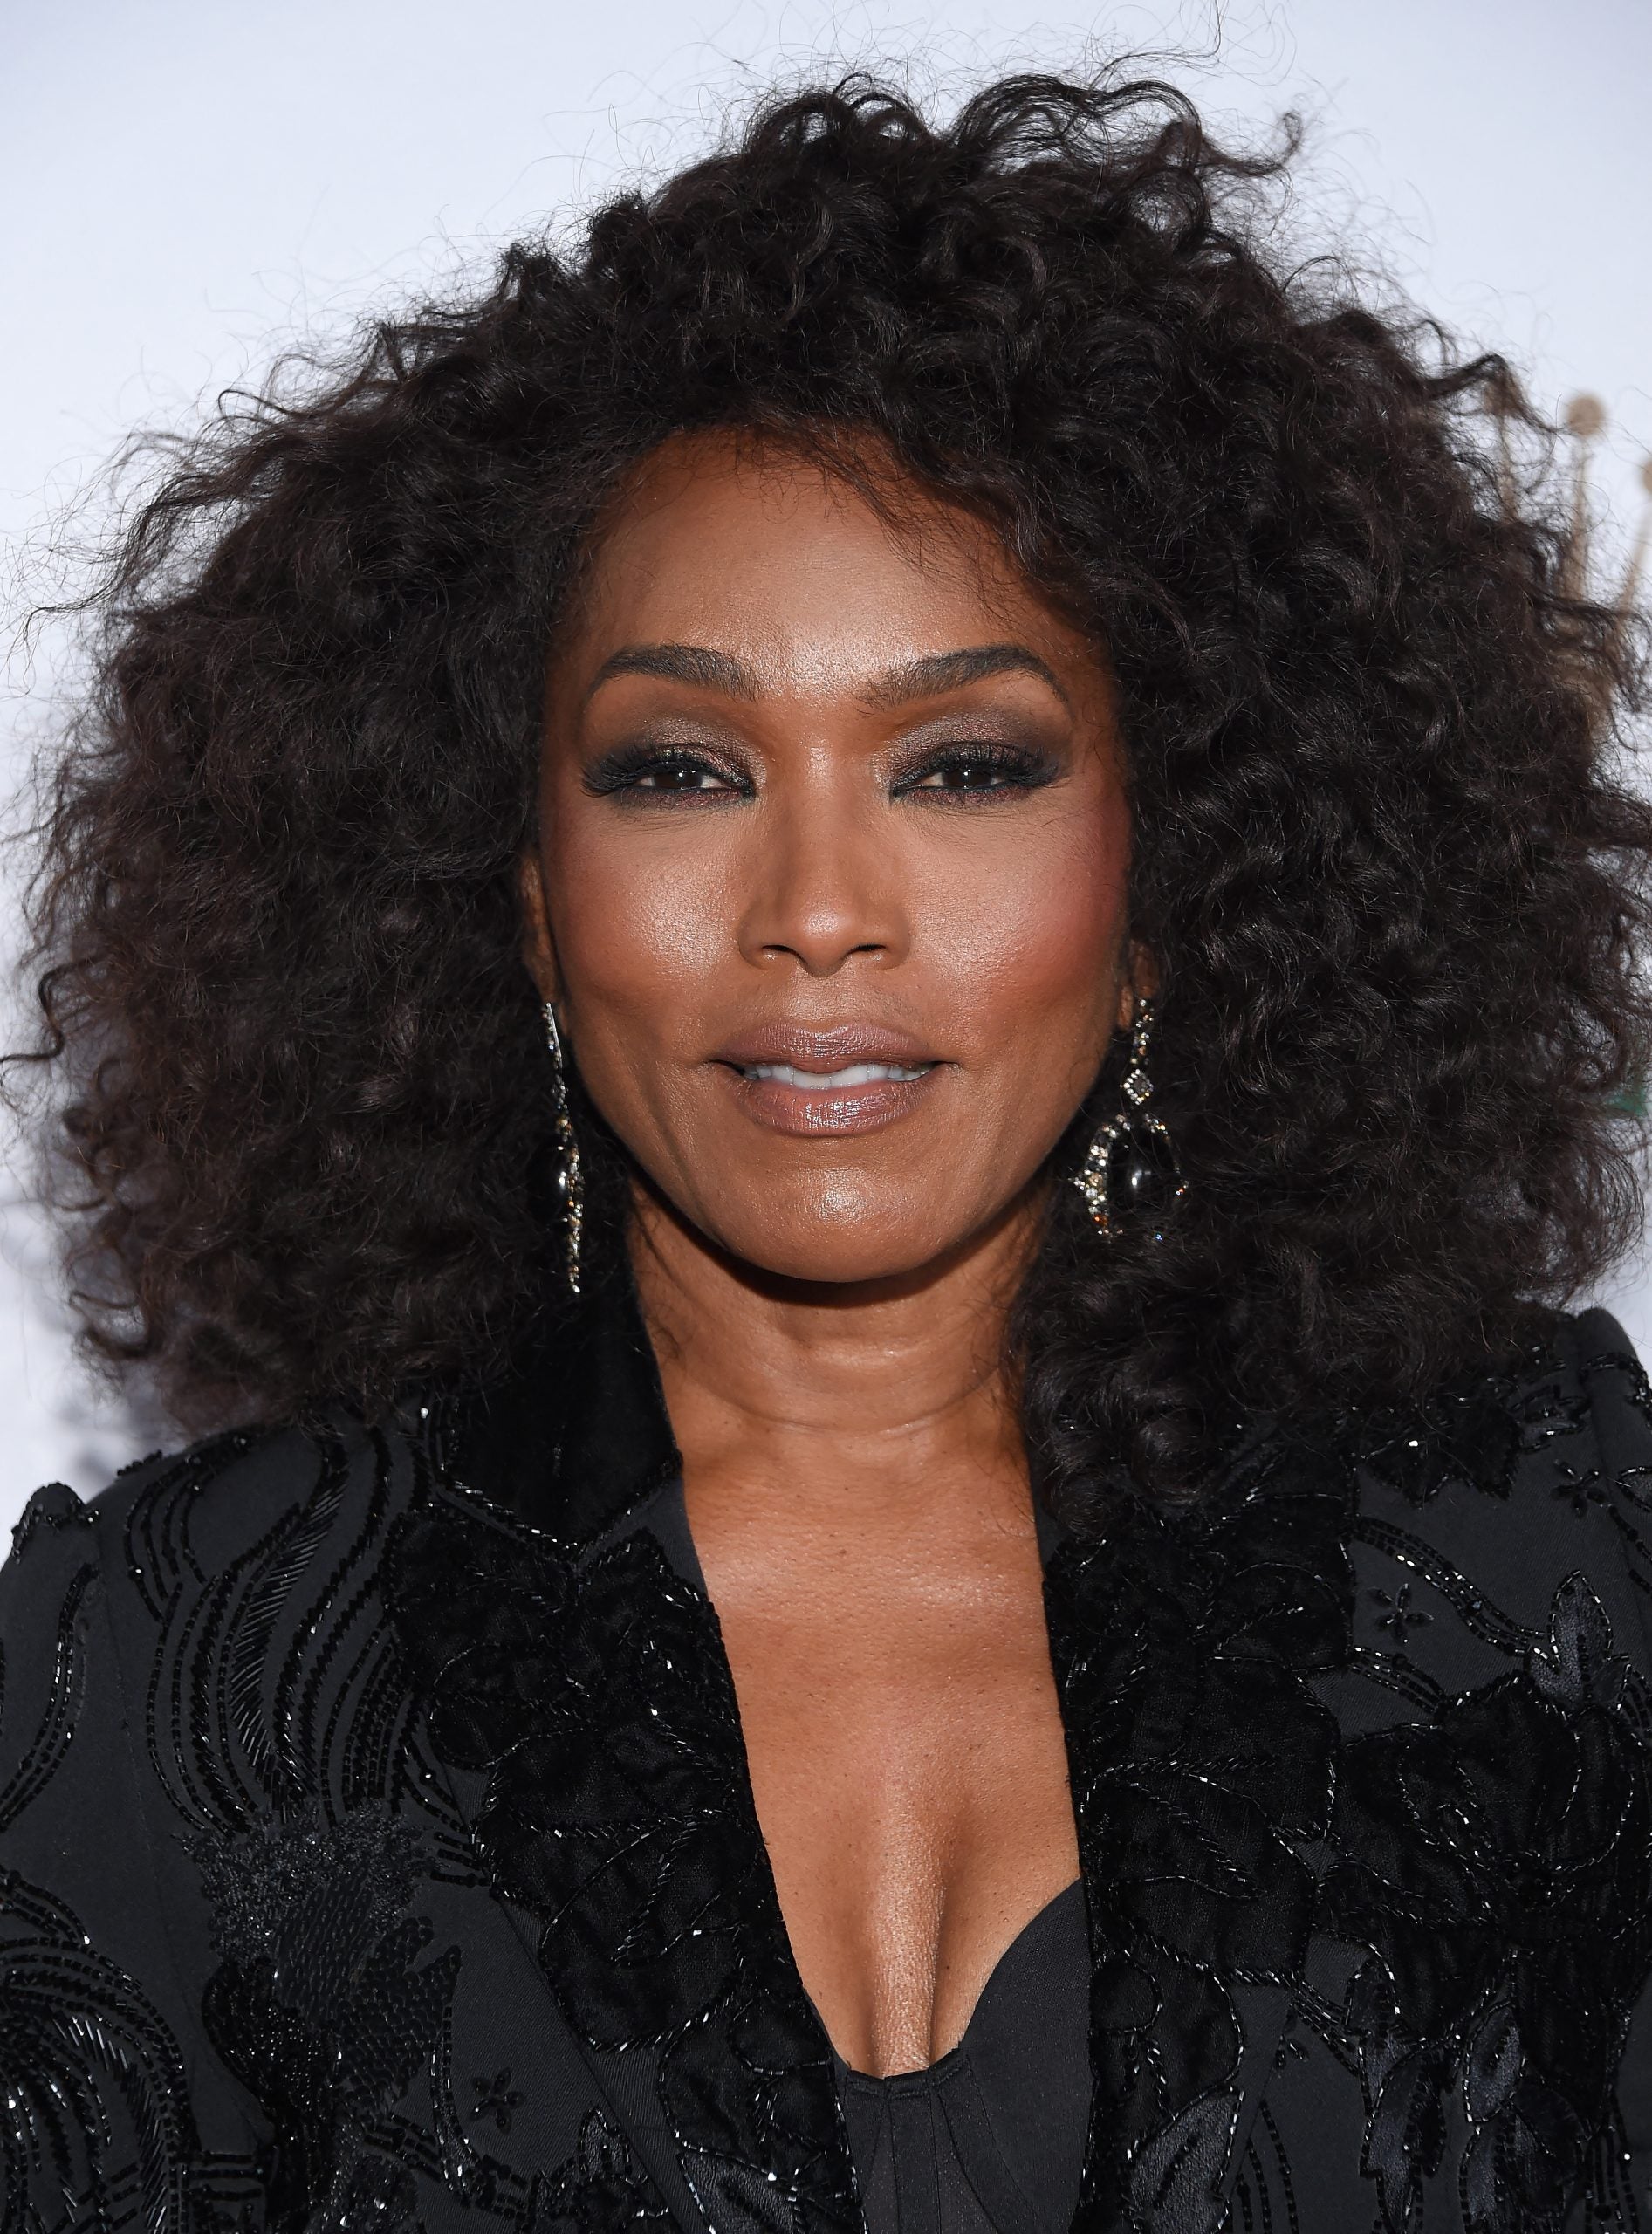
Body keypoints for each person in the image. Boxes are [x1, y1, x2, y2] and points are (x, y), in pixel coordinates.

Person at [2, 67, 1649, 2234]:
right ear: (523, 898)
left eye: (961, 765)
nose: (815, 909)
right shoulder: (191, 1658)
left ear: (1169, 889)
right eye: (679, 768)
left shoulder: (1539, 1562)